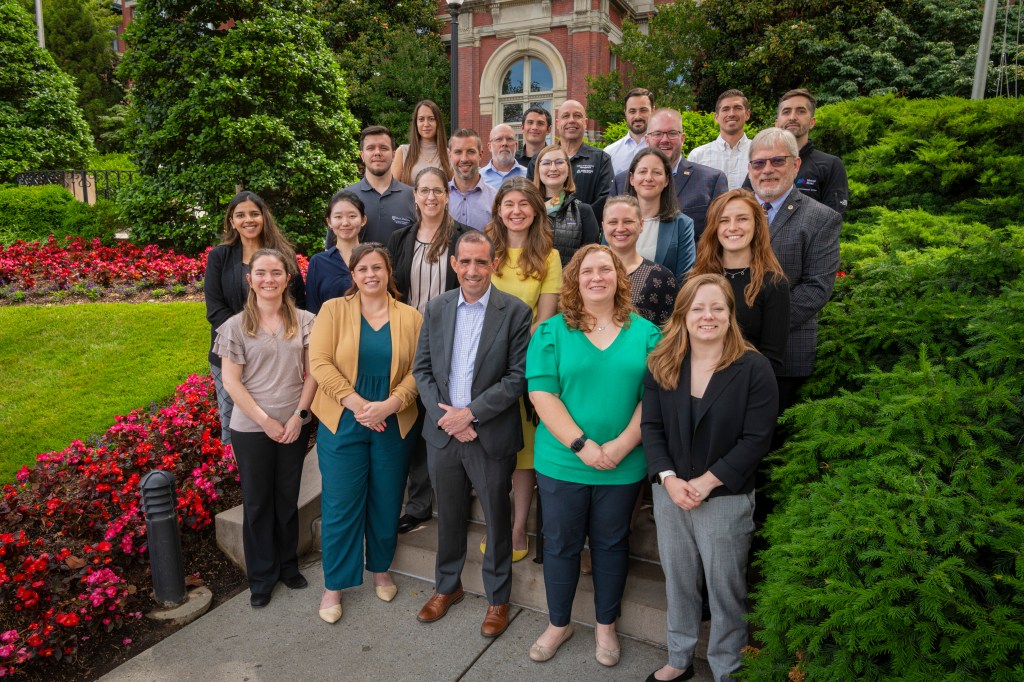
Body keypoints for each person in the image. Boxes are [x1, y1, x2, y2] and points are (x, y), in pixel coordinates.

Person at [525, 244, 661, 667]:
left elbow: (654, 399)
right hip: (563, 461)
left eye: (606, 269)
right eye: (588, 271)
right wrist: (582, 446)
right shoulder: (551, 332)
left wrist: (620, 446)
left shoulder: (647, 334)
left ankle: (606, 626)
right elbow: (542, 394)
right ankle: (558, 624)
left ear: (619, 278)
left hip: (622, 464)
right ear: (575, 280)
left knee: (611, 544)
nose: (596, 277)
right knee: (561, 544)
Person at [641, 273, 778, 682]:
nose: (708, 316)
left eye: (717, 308)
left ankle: (726, 668)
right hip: (671, 495)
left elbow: (757, 439)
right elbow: (652, 427)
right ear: (683, 315)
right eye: (698, 308)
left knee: (725, 590)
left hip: (724, 499)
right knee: (679, 581)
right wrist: (668, 479)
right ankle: (678, 659)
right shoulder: (663, 363)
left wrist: (706, 482)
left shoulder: (753, 368)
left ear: (730, 314)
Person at [413, 231, 533, 638]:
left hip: (490, 434)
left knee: (497, 518)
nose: (473, 270)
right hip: (443, 434)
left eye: (481, 261)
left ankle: (498, 597)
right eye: (465, 261)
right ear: (454, 264)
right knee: (448, 514)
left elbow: (517, 377)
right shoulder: (437, 308)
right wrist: (447, 418)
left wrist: (471, 415)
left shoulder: (515, 312)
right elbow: (422, 370)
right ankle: (448, 586)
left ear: (494, 264)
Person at [308, 244, 423, 624]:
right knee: (340, 503)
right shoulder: (333, 310)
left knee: (387, 500)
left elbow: (419, 369)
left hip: (393, 420)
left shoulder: (410, 317)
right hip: (343, 419)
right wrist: (357, 404)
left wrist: (390, 404)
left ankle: (380, 568)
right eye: (363, 269)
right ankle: (335, 584)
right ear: (353, 275)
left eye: (377, 268)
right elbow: (319, 362)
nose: (370, 274)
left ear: (389, 272)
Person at [213, 248, 317, 608]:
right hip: (252, 428)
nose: (268, 279)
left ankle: (288, 566)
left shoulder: (306, 321)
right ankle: (261, 577)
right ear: (250, 279)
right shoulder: (235, 327)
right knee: (258, 502)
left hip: (293, 425)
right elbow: (231, 382)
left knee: (287, 499)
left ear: (287, 279)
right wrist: (265, 421)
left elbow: (313, 374)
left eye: (276, 273)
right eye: (261, 273)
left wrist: (298, 416)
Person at [386, 167, 476, 535]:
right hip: (408, 338)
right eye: (424, 190)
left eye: (438, 190)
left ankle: (456, 500)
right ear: (415, 196)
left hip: (451, 339)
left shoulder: (464, 238)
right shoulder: (400, 238)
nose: (431, 197)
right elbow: (392, 289)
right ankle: (419, 504)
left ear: (447, 195)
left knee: (447, 414)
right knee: (414, 419)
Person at [485, 177, 562, 562]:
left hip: (526, 363)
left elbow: (545, 319)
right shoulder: (485, 250)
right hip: (485, 365)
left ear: (535, 210)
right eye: (508, 204)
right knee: (492, 449)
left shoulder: (549, 256)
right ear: (498, 209)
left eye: (523, 204)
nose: (516, 211)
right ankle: (495, 525)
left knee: (525, 453)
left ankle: (518, 529)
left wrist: (510, 350)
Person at [747, 127, 841, 411]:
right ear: (749, 168)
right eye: (759, 163)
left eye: (778, 161)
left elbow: (816, 288)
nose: (767, 170)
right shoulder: (731, 211)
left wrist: (760, 327)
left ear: (796, 164)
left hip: (784, 355)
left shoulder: (821, 218)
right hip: (726, 350)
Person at [205, 191, 305, 445]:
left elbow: (298, 303)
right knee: (235, 424)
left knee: (281, 423)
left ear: (264, 217)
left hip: (278, 354)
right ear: (231, 221)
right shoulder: (219, 257)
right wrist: (248, 339)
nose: (248, 220)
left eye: (254, 213)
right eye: (240, 215)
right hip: (231, 355)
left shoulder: (284, 255)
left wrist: (270, 339)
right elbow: (215, 309)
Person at [691, 189, 790, 374]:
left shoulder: (773, 283)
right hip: (696, 381)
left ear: (757, 225)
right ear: (714, 227)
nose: (732, 227)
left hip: (747, 384)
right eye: (723, 220)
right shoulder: (696, 279)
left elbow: (772, 359)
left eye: (742, 219)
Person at [608, 108, 728, 242]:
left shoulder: (711, 180)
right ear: (647, 139)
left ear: (682, 138)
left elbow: (720, 236)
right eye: (657, 133)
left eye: (672, 133)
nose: (664, 140)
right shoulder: (621, 182)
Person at [326, 126, 417, 248]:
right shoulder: (343, 198)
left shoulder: (413, 196)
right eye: (371, 148)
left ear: (393, 155)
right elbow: (331, 250)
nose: (377, 153)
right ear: (362, 155)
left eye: (384, 148)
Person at [602, 195, 676, 325]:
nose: (620, 228)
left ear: (641, 225)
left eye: (628, 221)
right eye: (613, 222)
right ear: (603, 226)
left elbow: (671, 331)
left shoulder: (662, 278)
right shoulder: (586, 274)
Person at [625, 148, 696, 282]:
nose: (648, 178)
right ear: (632, 178)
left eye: (656, 172)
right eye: (642, 171)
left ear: (666, 180)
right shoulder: (615, 220)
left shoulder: (682, 224)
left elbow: (684, 280)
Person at [774, 88, 849, 216]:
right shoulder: (761, 164)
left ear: (812, 122)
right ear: (776, 123)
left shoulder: (830, 165)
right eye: (786, 112)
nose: (792, 117)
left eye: (801, 111)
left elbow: (832, 219)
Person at [527, 99, 614, 208]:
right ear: (557, 123)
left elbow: (605, 200)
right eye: (565, 116)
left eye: (577, 116)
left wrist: (583, 216)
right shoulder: (538, 160)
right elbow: (531, 197)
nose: (571, 120)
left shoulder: (601, 159)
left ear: (586, 123)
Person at [532, 143, 600, 266]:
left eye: (559, 162)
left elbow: (591, 259)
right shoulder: (528, 210)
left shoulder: (583, 211)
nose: (553, 168)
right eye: (546, 163)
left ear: (568, 169)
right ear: (538, 170)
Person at [305, 190, 360, 314]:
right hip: (329, 326)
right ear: (329, 222)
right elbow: (312, 309)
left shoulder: (373, 258)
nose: (345, 223)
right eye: (338, 217)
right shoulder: (318, 262)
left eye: (352, 216)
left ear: (363, 220)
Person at [687, 90, 752, 190]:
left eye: (738, 108)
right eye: (725, 109)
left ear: (747, 114)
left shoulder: (760, 153)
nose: (731, 114)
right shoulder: (697, 156)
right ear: (716, 117)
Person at [392, 100, 454, 185]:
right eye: (421, 119)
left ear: (438, 122)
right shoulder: (403, 152)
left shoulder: (449, 154)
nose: (426, 124)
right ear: (416, 123)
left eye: (431, 119)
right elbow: (393, 188)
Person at [448, 128, 498, 231]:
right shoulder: (438, 197)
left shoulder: (495, 199)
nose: (464, 159)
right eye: (458, 152)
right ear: (450, 155)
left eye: (470, 152)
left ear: (481, 154)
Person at [603, 87, 654, 175]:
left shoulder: (663, 150)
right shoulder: (609, 153)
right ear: (625, 113)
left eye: (643, 110)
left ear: (653, 110)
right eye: (632, 111)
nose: (637, 116)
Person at [481, 124, 528, 190]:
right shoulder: (478, 178)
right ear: (489, 147)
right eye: (499, 139)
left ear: (516, 145)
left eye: (509, 139)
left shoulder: (529, 175)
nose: (504, 143)